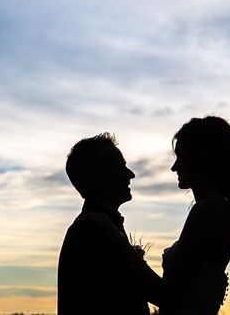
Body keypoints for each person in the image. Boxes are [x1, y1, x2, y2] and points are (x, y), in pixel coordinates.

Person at [57, 133, 162, 315]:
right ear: (95, 179)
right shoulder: (94, 228)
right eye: (120, 168)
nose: (131, 174)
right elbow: (159, 293)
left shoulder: (97, 224)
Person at [160, 116, 230, 315]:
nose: (174, 167)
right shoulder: (218, 210)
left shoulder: (206, 211)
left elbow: (170, 291)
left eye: (181, 157)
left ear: (201, 158)